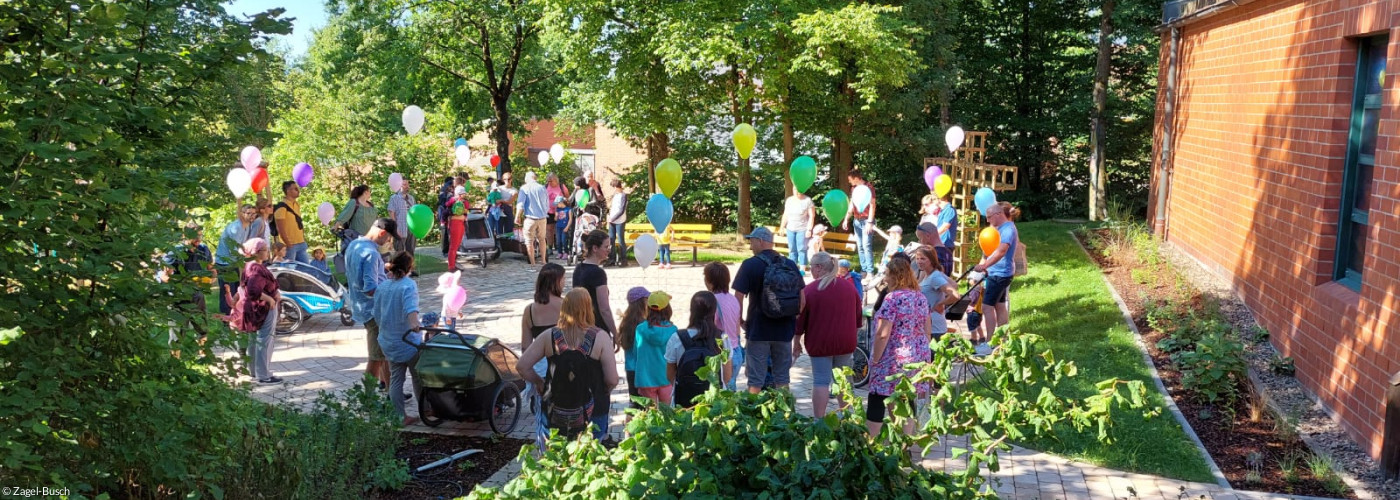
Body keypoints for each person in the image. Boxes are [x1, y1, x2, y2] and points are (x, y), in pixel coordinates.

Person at [516, 288, 619, 443]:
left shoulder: (549, 336)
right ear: (588, 308)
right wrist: (604, 391)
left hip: (554, 408)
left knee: (555, 451)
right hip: (594, 409)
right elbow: (612, 379)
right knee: (591, 452)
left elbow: (522, 366)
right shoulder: (601, 337)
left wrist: (539, 382)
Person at [866, 257, 932, 439]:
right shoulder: (920, 297)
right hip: (917, 356)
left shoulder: (892, 298)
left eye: (887, 275)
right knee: (906, 397)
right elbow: (927, 330)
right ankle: (904, 442)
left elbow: (883, 334)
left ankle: (870, 442)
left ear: (896, 276)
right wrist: (922, 353)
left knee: (877, 396)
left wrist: (876, 360)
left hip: (893, 357)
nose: (885, 278)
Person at [732, 227, 800, 393]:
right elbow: (802, 299)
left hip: (758, 330)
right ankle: (784, 407)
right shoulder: (789, 264)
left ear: (761, 241)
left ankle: (753, 408)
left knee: (755, 379)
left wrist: (740, 321)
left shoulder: (750, 265)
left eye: (752, 241)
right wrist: (791, 318)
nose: (750, 246)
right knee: (782, 378)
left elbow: (738, 297)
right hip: (784, 330)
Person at [794, 252, 861, 418]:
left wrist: (796, 342)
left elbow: (800, 320)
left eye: (811, 267)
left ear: (818, 267)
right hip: (846, 341)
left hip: (820, 342)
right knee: (842, 380)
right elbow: (858, 318)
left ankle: (819, 420)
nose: (810, 271)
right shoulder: (849, 288)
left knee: (821, 380)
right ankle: (846, 417)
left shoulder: (810, 290)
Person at [571, 229, 618, 434]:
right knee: (601, 377)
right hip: (597, 328)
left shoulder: (578, 269)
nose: (609, 250)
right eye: (606, 246)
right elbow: (604, 308)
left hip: (578, 327)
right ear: (595, 248)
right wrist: (615, 332)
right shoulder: (598, 273)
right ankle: (598, 426)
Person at [346, 218, 400, 390]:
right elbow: (370, 289)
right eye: (389, 237)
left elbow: (361, 275)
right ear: (382, 233)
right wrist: (391, 292)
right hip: (373, 311)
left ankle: (390, 389)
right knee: (376, 357)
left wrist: (383, 270)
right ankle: (368, 397)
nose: (389, 242)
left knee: (383, 352)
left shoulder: (354, 245)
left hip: (360, 307)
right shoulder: (371, 254)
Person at [374, 251, 422, 425]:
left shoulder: (383, 286)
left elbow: (377, 314)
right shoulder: (408, 285)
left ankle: (400, 417)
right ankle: (425, 409)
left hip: (388, 340)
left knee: (395, 379)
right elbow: (411, 310)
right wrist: (415, 325)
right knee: (418, 377)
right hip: (408, 341)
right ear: (409, 267)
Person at [667, 291, 731, 408]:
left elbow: (670, 375)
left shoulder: (677, 338)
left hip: (684, 402)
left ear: (692, 311)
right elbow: (726, 377)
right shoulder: (722, 338)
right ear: (714, 311)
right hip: (715, 402)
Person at [973, 202, 1020, 354]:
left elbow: (1001, 251)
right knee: (1000, 306)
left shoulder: (1007, 230)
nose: (987, 220)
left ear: (999, 214)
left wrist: (984, 265)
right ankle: (1003, 341)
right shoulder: (1002, 228)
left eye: (989, 217)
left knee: (987, 307)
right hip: (999, 273)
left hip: (1000, 274)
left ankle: (989, 344)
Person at [522, 263, 566, 425]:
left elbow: (526, 347)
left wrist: (535, 379)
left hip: (540, 367)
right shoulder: (565, 306)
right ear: (557, 282)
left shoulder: (529, 310)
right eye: (564, 279)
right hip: (563, 365)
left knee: (544, 416)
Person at [237, 238, 282, 384]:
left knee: (253, 339)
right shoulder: (256, 268)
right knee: (264, 339)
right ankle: (263, 375)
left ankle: (254, 372)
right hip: (262, 308)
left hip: (252, 308)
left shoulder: (248, 266)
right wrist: (270, 299)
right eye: (265, 250)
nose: (268, 252)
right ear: (256, 252)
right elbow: (253, 290)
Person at [161, 224, 213, 342]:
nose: (198, 239)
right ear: (185, 235)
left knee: (203, 330)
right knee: (177, 338)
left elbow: (211, 269)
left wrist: (210, 278)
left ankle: (203, 352)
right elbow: (164, 276)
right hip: (178, 298)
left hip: (197, 296)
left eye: (200, 235)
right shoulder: (175, 252)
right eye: (195, 236)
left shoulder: (204, 249)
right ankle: (176, 354)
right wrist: (179, 281)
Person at [215, 204, 265, 315]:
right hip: (225, 263)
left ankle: (235, 316)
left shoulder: (247, 226)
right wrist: (250, 258)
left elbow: (243, 246)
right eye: (248, 213)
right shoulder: (236, 228)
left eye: (254, 213)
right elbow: (235, 250)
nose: (252, 216)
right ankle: (226, 317)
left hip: (233, 262)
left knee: (236, 291)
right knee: (227, 291)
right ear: (242, 214)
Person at [912, 245, 958, 356]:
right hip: (928, 326)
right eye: (917, 258)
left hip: (934, 328)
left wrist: (940, 304)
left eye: (923, 259)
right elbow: (954, 284)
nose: (919, 261)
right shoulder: (932, 274)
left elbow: (955, 295)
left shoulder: (935, 277)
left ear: (931, 260)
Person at [703, 262, 742, 390]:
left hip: (722, 354)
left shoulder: (712, 301)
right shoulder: (733, 299)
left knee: (720, 392)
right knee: (731, 391)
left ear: (710, 282)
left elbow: (710, 328)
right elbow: (737, 328)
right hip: (736, 351)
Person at [633, 291, 677, 407]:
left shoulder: (640, 329)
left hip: (645, 379)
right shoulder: (673, 330)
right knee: (667, 413)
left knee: (650, 414)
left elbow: (635, 352)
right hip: (666, 378)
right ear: (668, 309)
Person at [617, 287, 650, 409]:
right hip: (643, 369)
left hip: (630, 368)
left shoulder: (626, 322)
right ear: (642, 302)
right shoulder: (644, 325)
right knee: (646, 405)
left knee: (634, 403)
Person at [839, 169, 876, 273]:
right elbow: (852, 204)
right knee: (860, 246)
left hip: (867, 220)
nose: (849, 182)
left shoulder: (869, 187)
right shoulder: (854, 188)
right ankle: (864, 270)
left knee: (866, 245)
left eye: (850, 179)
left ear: (855, 178)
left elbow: (872, 205)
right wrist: (846, 218)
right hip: (857, 220)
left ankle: (870, 272)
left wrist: (870, 222)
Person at [514, 171, 551, 267]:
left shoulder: (524, 188)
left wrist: (517, 216)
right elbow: (547, 203)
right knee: (542, 239)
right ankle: (543, 261)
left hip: (530, 218)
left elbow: (520, 204)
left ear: (527, 178)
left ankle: (533, 264)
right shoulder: (542, 188)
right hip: (543, 218)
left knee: (529, 241)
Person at [779, 187, 816, 271]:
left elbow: (812, 216)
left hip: (802, 228)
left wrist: (809, 229)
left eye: (797, 189)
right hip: (790, 228)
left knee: (802, 248)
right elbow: (785, 214)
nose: (796, 191)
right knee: (792, 248)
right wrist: (782, 227)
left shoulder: (807, 200)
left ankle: (802, 269)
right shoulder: (789, 200)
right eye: (794, 189)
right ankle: (792, 267)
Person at [387, 178, 418, 276]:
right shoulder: (394, 198)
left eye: (407, 184)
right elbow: (391, 213)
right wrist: (394, 228)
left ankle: (410, 270)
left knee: (411, 250)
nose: (407, 186)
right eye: (404, 184)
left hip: (411, 228)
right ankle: (399, 270)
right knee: (399, 251)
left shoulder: (411, 198)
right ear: (399, 186)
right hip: (400, 228)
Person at [273, 181, 310, 264]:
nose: (298, 190)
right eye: (295, 189)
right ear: (288, 191)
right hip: (290, 245)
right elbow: (280, 228)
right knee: (290, 268)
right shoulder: (281, 206)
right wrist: (288, 243)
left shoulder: (296, 204)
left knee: (306, 268)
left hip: (301, 242)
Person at [335, 185, 379, 251]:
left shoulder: (371, 205)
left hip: (370, 239)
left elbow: (376, 221)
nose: (370, 193)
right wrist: (336, 226)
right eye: (369, 191)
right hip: (356, 238)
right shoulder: (354, 202)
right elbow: (345, 215)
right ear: (365, 192)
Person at [935, 193, 959, 276]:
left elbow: (945, 226)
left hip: (945, 245)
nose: (933, 201)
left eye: (934, 199)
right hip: (940, 244)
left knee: (943, 273)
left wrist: (932, 235)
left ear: (939, 199)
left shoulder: (949, 210)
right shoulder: (942, 210)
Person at [545, 173, 570, 254]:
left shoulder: (562, 187)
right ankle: (549, 247)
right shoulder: (545, 187)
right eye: (548, 181)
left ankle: (559, 246)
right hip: (548, 211)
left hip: (560, 212)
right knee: (549, 229)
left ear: (556, 180)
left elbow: (567, 198)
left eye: (551, 181)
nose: (549, 183)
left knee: (559, 229)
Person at [606, 179, 628, 267]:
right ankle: (612, 259)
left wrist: (613, 218)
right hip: (612, 221)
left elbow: (621, 210)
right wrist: (609, 216)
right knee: (611, 239)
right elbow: (613, 208)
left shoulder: (623, 196)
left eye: (613, 187)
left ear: (616, 187)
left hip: (620, 221)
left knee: (621, 240)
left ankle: (623, 260)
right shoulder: (615, 196)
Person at [445, 186, 468, 269]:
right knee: (454, 245)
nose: (464, 195)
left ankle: (453, 264)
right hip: (455, 223)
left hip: (461, 223)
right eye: (463, 194)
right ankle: (451, 266)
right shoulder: (453, 200)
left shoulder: (464, 202)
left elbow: (466, 210)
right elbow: (447, 206)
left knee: (457, 244)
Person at [438, 176, 456, 257]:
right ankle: (445, 250)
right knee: (445, 232)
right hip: (445, 213)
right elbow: (444, 202)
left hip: (448, 213)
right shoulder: (445, 190)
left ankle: (449, 250)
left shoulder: (444, 189)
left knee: (448, 232)